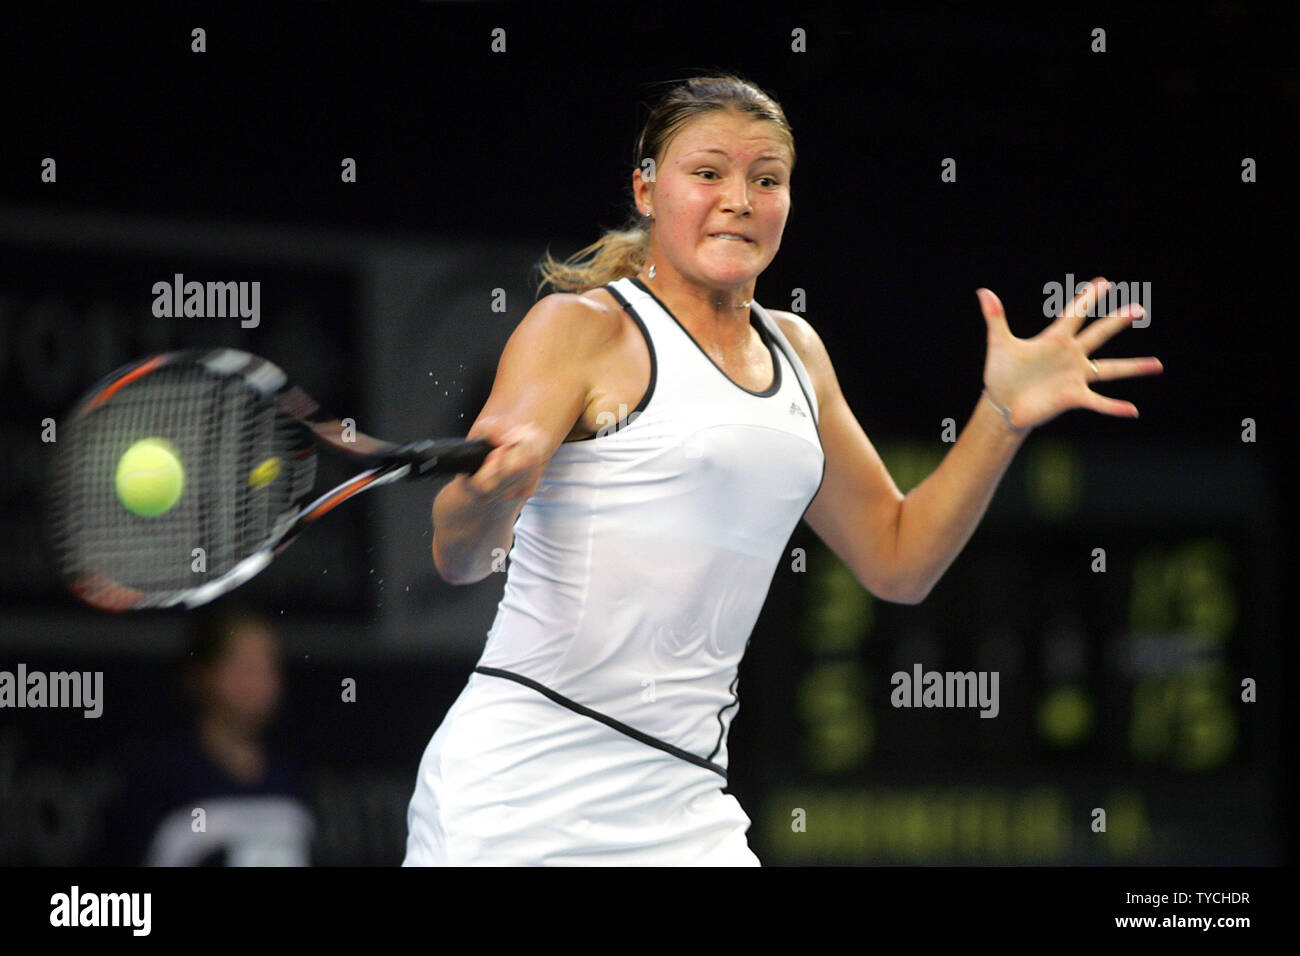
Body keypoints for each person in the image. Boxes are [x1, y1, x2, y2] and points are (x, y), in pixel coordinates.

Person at [403, 73, 1161, 866]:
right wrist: (492, 494)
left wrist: (1000, 414)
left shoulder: (799, 354)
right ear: (648, 188)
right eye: (708, 173)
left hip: (685, 804)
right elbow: (457, 557)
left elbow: (898, 560)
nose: (740, 198)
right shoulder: (579, 327)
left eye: (766, 179)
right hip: (519, 792)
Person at [110, 602, 314, 866]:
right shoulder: (162, 777)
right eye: (245, 668)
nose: (258, 683)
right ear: (203, 674)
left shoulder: (289, 777)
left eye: (268, 666)